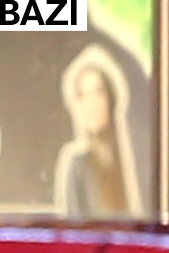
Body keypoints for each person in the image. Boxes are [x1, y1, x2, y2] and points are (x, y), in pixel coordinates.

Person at [54, 48, 142, 217]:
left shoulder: (129, 160)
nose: (91, 103)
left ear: (110, 99)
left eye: (98, 92)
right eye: (83, 95)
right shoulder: (77, 163)